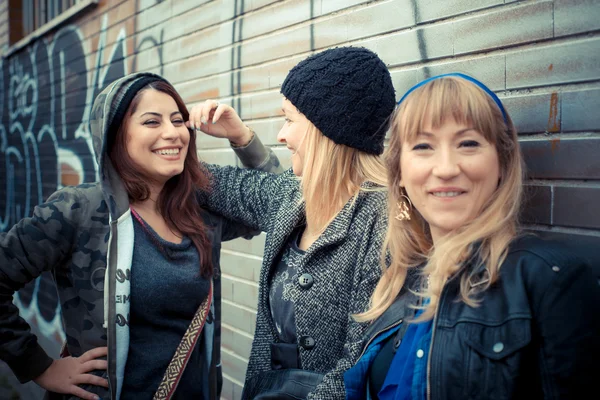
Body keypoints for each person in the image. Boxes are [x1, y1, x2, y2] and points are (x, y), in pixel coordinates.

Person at [0, 72, 280, 400]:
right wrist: (39, 367)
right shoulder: (80, 211)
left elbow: (277, 206)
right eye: (151, 122)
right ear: (116, 135)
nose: (172, 133)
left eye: (178, 121)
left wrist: (241, 136)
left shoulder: (200, 212)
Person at [344, 73, 600, 400]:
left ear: (502, 163)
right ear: (400, 174)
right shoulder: (400, 277)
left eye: (468, 143)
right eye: (423, 146)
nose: (447, 168)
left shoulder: (549, 280)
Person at [187, 46, 397, 399]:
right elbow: (215, 184)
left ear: (326, 128)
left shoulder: (384, 222)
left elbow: (357, 363)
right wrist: (174, 144)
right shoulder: (294, 195)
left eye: (289, 119)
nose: (281, 135)